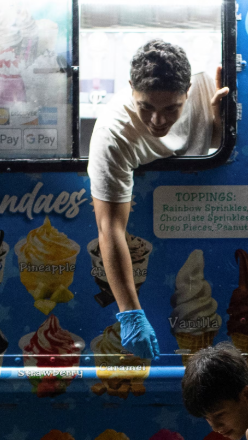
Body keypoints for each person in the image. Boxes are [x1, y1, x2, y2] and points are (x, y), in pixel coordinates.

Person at [89, 39, 228, 361]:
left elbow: (216, 146)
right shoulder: (114, 132)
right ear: (131, 90)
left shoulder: (207, 86)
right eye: (146, 107)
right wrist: (130, 314)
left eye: (171, 109)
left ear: (188, 91)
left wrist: (222, 124)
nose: (157, 121)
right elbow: (109, 227)